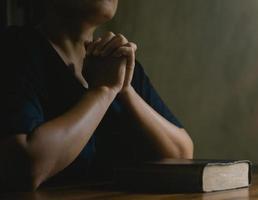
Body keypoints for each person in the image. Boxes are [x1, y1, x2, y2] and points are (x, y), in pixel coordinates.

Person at [0, 0, 193, 191]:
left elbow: (182, 155)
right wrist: (103, 91)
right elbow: (24, 167)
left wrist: (125, 90)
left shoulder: (116, 60)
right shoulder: (16, 48)